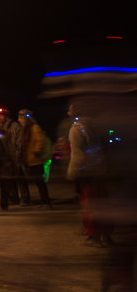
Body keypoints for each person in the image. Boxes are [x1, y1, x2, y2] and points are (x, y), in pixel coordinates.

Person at [66, 103, 113, 247]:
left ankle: (94, 237)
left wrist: (71, 173)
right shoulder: (97, 126)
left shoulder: (77, 129)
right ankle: (107, 235)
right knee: (103, 203)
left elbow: (78, 155)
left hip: (86, 172)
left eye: (71, 108)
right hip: (100, 170)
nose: (68, 111)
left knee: (89, 204)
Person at [15, 109, 52, 209]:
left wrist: (36, 152)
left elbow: (41, 140)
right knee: (38, 183)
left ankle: (46, 203)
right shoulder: (26, 129)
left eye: (20, 118)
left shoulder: (34, 128)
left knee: (40, 183)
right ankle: (44, 202)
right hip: (31, 161)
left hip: (36, 161)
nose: (18, 120)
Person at [0, 108, 21, 208]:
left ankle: (24, 198)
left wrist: (18, 153)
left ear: (7, 117)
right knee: (8, 179)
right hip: (4, 156)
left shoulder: (14, 126)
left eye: (2, 116)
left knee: (19, 177)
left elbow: (18, 141)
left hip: (14, 155)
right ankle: (13, 198)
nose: (0, 118)